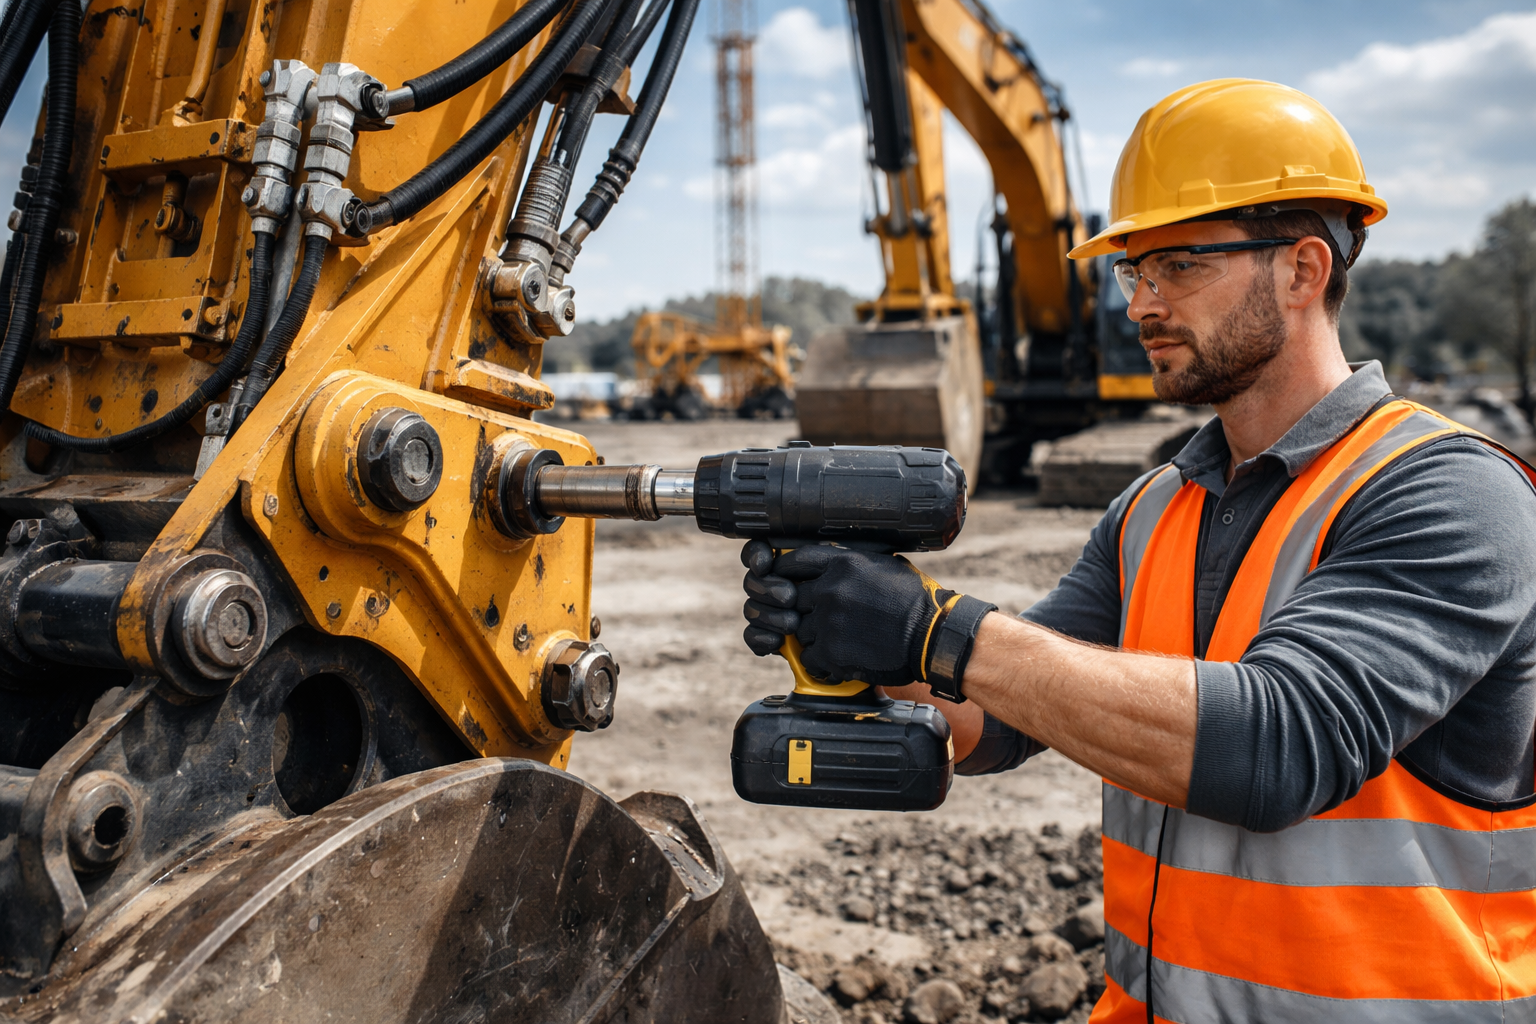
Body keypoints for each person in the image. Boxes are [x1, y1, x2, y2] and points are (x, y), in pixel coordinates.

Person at [740, 78, 1536, 1022]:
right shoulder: (1154, 506)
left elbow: (1280, 747)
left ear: (1303, 270)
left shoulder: (1449, 492)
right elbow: (999, 716)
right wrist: (857, 632)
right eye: (1134, 272)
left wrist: (938, 632)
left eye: (1180, 264)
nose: (1142, 304)